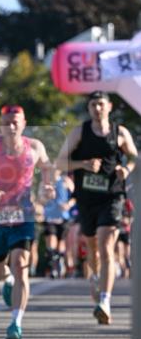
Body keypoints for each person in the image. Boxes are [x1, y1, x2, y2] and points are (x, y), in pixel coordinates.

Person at [0, 104, 54, 339]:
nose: (11, 126)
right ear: (0, 125)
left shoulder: (35, 147)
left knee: (20, 263)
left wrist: (47, 187)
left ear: (24, 124)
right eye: (6, 123)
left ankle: (16, 323)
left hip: (23, 215)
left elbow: (47, 168)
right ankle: (6, 280)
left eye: (16, 122)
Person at [56, 91, 137, 324]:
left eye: (101, 104)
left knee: (106, 245)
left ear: (109, 107)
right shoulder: (79, 132)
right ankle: (96, 278)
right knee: (92, 247)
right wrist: (83, 164)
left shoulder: (120, 133)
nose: (97, 108)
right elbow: (60, 162)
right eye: (93, 105)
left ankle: (105, 301)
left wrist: (126, 169)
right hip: (86, 198)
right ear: (89, 108)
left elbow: (134, 157)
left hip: (112, 197)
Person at [42, 169, 73, 278]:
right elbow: (40, 198)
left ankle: (60, 262)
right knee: (51, 243)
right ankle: (53, 268)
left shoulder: (66, 181)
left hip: (63, 218)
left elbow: (75, 196)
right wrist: (46, 197)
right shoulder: (45, 182)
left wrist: (68, 204)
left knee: (61, 245)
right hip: (50, 218)